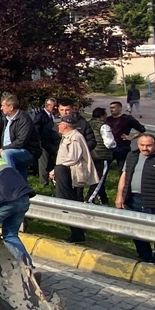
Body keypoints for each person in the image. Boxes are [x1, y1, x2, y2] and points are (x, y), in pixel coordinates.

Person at [115, 134, 155, 266]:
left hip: (153, 201)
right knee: (136, 230)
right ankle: (145, 256)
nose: (145, 148)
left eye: (148, 145)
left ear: (154, 146)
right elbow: (124, 176)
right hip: (132, 199)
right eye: (142, 145)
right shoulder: (132, 156)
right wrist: (120, 196)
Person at [50, 114, 98, 243]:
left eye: (59, 124)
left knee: (71, 204)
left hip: (73, 177)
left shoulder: (75, 137)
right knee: (69, 204)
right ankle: (77, 234)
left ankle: (78, 234)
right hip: (67, 175)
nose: (58, 126)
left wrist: (56, 169)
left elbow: (73, 158)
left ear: (65, 125)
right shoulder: (68, 136)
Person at [0, 93, 41, 181]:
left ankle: (12, 182)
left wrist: (2, 149)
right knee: (21, 176)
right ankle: (22, 190)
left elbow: (21, 141)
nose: (1, 108)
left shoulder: (24, 119)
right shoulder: (7, 119)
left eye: (3, 106)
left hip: (28, 151)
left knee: (6, 154)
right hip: (14, 150)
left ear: (11, 107)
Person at [86, 107, 117, 205]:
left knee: (95, 178)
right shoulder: (104, 126)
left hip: (89, 155)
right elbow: (109, 142)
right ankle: (88, 200)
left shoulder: (87, 124)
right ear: (102, 116)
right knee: (99, 179)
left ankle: (104, 201)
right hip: (102, 155)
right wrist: (115, 146)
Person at [106, 100, 145, 172]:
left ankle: (123, 182)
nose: (111, 109)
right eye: (110, 108)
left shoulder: (127, 118)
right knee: (104, 167)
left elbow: (141, 129)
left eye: (113, 107)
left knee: (122, 169)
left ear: (120, 108)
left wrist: (131, 137)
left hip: (122, 147)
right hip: (109, 147)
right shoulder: (108, 119)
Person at [36, 97, 61, 186]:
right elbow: (36, 128)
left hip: (51, 142)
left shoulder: (53, 116)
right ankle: (44, 183)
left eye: (56, 106)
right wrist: (39, 141)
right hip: (43, 142)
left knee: (50, 162)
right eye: (53, 106)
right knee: (44, 163)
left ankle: (51, 180)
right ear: (47, 105)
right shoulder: (41, 115)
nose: (55, 108)